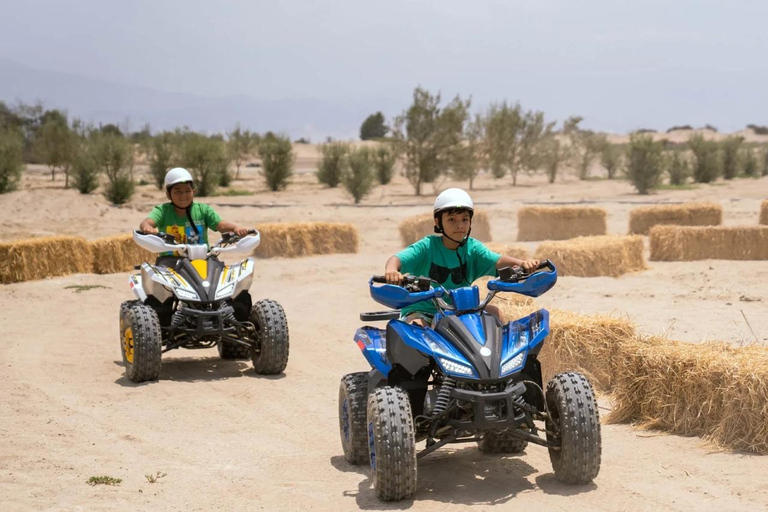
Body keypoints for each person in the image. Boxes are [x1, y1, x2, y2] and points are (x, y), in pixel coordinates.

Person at [384, 188, 539, 326]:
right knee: (416, 325)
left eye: (464, 219)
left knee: (494, 313)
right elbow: (396, 259)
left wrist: (522, 264)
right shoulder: (426, 247)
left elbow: (498, 260)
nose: (460, 225)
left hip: (460, 309)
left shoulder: (472, 248)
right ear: (438, 222)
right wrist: (392, 271)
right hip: (423, 311)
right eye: (452, 220)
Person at [138, 168, 249, 264]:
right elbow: (146, 222)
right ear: (168, 194)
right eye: (177, 192)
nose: (183, 195)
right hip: (170, 259)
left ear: (193, 192)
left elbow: (221, 225)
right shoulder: (162, 211)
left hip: (203, 258)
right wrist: (147, 227)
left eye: (187, 190)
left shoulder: (203, 209)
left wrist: (235, 228)